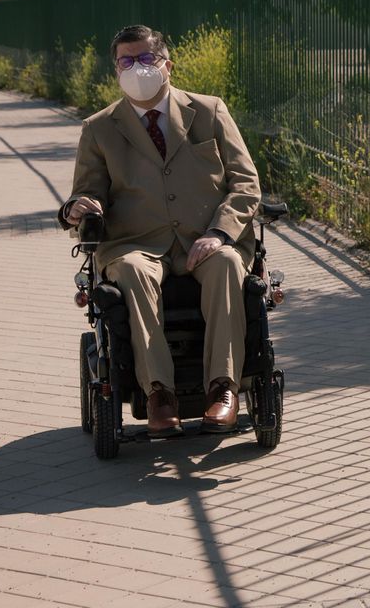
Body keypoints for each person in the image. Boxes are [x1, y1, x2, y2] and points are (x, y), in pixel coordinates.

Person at [59, 24, 261, 437]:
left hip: (205, 237)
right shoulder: (99, 129)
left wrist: (220, 233)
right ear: (116, 71)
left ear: (167, 64)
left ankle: (223, 389)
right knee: (132, 270)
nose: (137, 68)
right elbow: (86, 193)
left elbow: (246, 183)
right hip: (135, 243)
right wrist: (79, 207)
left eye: (146, 59)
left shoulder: (209, 111)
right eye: (126, 61)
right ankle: (159, 394)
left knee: (225, 264)